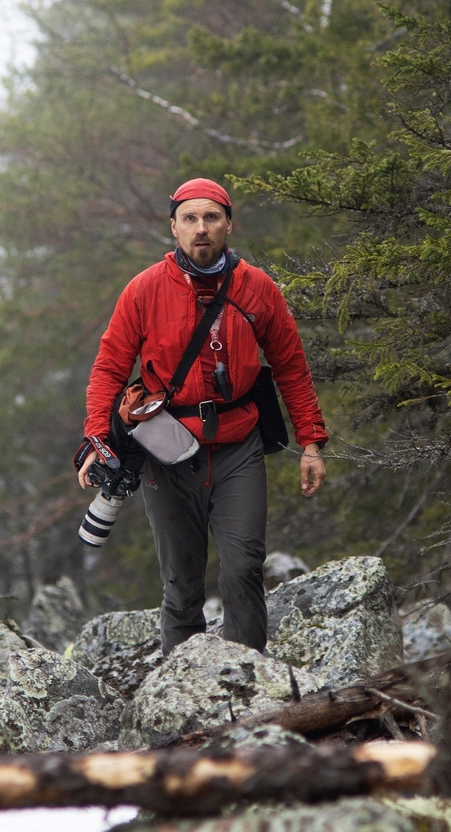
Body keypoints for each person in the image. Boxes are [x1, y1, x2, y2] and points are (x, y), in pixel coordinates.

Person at [77, 177, 328, 656]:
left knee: (243, 569)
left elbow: (292, 366)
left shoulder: (258, 289)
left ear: (228, 224)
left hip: (239, 446)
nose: (201, 228)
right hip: (166, 453)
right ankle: (182, 702)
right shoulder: (144, 291)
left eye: (211, 217)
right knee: (182, 583)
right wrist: (96, 439)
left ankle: (252, 690)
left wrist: (311, 442)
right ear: (173, 227)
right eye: (190, 218)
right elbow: (109, 367)